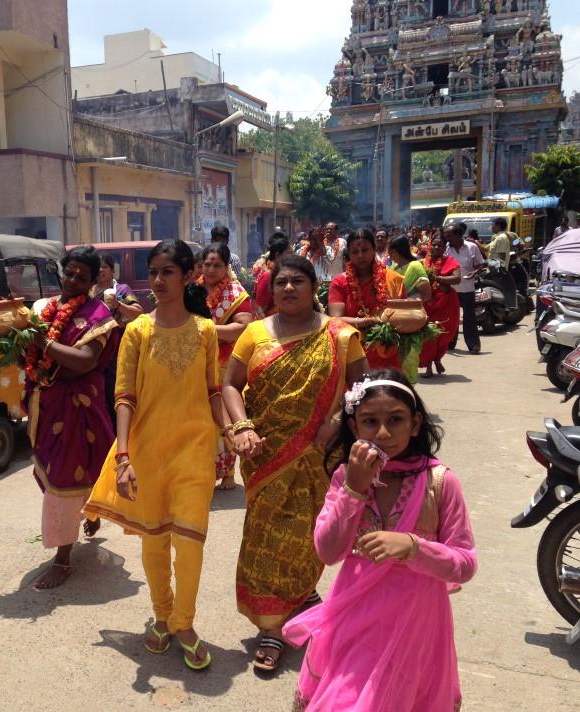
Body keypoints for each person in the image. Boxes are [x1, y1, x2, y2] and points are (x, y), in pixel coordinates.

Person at [283, 370, 477, 712]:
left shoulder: (440, 482)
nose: (384, 433)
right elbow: (328, 552)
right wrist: (354, 489)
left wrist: (413, 547)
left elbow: (464, 564)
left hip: (415, 624)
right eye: (370, 421)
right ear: (355, 426)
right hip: (355, 619)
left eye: (396, 420)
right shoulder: (347, 476)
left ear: (415, 424)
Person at [223, 255, 368, 673]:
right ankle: (273, 624)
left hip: (319, 453)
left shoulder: (340, 336)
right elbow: (230, 385)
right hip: (265, 453)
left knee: (307, 538)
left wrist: (339, 420)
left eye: (297, 282)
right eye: (281, 282)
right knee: (267, 536)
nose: (288, 289)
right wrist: (242, 425)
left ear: (313, 287)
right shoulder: (253, 333)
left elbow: (363, 388)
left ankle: (294, 605)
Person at [84, 240, 224, 671]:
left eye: (167, 272)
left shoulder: (206, 331)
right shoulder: (138, 331)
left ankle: (184, 622)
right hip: (146, 449)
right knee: (155, 539)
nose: (158, 280)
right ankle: (162, 615)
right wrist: (124, 455)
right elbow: (123, 397)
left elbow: (214, 391)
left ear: (188, 275)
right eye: (154, 272)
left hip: (195, 449)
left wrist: (232, 433)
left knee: (191, 542)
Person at [25, 246, 120, 589]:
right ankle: (91, 511)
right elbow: (27, 350)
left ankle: (62, 560)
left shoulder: (100, 317)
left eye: (83, 276)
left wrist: (44, 345)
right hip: (45, 404)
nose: (74, 280)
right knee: (62, 474)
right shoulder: (42, 308)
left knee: (65, 481)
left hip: (80, 408)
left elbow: (84, 361)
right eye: (69, 273)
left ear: (95, 281)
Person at [199, 242, 253, 490]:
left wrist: (208, 329)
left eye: (216, 265)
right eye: (207, 264)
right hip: (196, 361)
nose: (210, 269)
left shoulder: (235, 293)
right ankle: (202, 471)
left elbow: (242, 328)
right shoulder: (194, 289)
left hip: (224, 364)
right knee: (200, 420)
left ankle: (228, 472)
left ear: (226, 267)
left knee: (222, 419)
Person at [328, 228, 405, 371]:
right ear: (349, 254)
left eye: (365, 250)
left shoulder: (393, 279)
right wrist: (364, 322)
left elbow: (403, 314)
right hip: (352, 354)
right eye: (355, 252)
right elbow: (335, 319)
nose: (360, 255)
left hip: (387, 351)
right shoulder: (340, 282)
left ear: (374, 249)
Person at [92, 255, 143, 424]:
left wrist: (119, 305)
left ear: (112, 270)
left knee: (115, 388)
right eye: (98, 267)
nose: (100, 270)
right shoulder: (89, 292)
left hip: (116, 348)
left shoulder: (121, 290)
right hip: (93, 349)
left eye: (104, 267)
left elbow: (138, 312)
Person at [387, 236, 433, 383]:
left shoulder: (415, 266)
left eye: (391, 251)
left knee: (409, 358)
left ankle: (410, 390)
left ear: (397, 251)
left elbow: (426, 294)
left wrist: (406, 303)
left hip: (411, 320)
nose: (389, 255)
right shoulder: (392, 268)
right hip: (393, 321)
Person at [420, 234, 463, 378]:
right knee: (428, 335)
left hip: (446, 304)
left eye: (440, 245)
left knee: (443, 335)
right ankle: (429, 367)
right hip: (427, 303)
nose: (437, 247)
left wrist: (438, 278)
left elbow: (457, 279)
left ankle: (437, 358)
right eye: (435, 244)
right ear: (430, 246)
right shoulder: (422, 263)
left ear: (445, 247)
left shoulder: (450, 261)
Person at [444, 223, 485, 354]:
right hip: (451, 289)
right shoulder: (446, 248)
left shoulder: (472, 247)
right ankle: (450, 343)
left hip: (467, 288)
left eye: (449, 235)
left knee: (469, 317)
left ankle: (473, 345)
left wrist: (475, 272)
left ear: (458, 235)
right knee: (451, 317)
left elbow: (480, 264)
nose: (447, 238)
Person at [254, 234, 292, 316]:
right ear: (278, 256)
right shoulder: (268, 276)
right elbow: (259, 311)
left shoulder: (284, 273)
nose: (293, 258)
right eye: (289, 254)